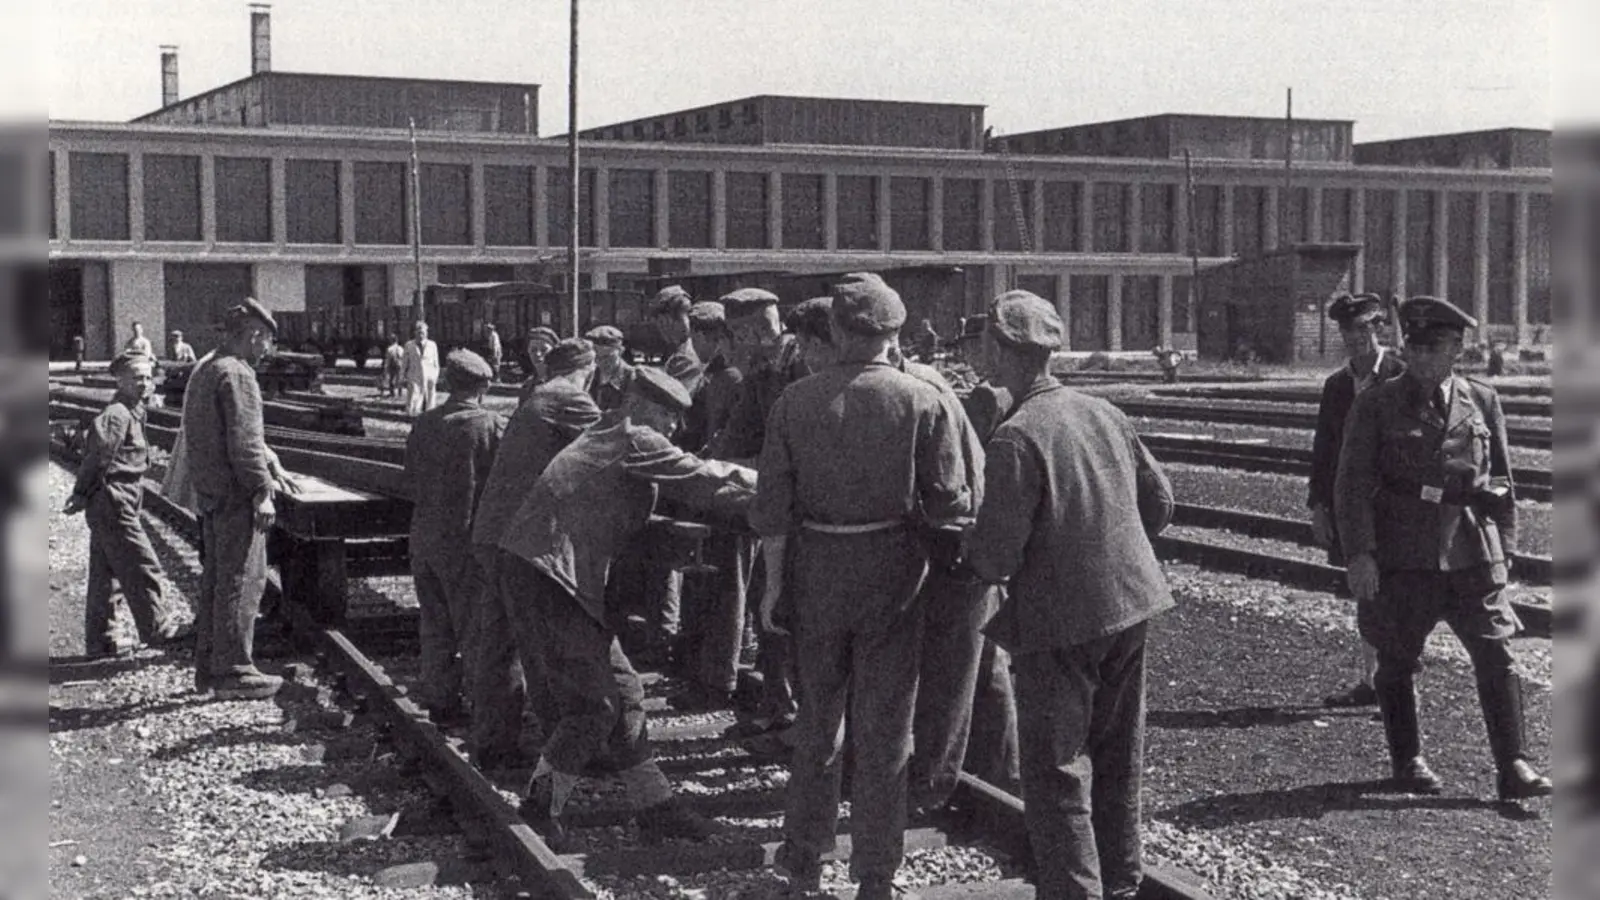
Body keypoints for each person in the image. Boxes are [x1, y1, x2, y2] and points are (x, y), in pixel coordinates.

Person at [752, 273, 976, 900]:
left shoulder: (793, 402)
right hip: (894, 579)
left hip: (815, 571)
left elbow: (771, 510)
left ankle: (802, 860)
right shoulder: (922, 401)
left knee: (817, 723)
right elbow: (948, 503)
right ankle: (876, 873)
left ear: (839, 330)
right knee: (885, 730)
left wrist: (773, 589)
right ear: (893, 334)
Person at [965, 289, 1175, 900]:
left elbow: (998, 557)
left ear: (1000, 352)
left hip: (1059, 622)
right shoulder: (1102, 410)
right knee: (1117, 755)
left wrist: (965, 548)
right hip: (1132, 603)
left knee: (1054, 771)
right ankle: (1122, 884)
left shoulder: (1015, 436)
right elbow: (1159, 506)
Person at [498, 367, 757, 849]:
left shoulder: (609, 430)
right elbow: (700, 477)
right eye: (670, 416)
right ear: (644, 407)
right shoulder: (636, 437)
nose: (676, 429)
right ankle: (539, 806)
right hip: (551, 575)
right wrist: (780, 487)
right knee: (594, 704)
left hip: (556, 572)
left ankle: (655, 807)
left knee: (624, 692)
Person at [1334, 296, 1551, 802]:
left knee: (1496, 654)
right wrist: (1360, 554)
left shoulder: (1482, 399)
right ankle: (1407, 759)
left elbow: (1502, 479)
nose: (1421, 355)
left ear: (1457, 348)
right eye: (1414, 345)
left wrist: (1508, 551)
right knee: (1396, 656)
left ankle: (1512, 764)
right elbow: (1350, 484)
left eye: (1434, 346)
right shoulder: (1376, 403)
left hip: (1472, 551)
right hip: (1404, 553)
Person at [469, 338, 602, 770]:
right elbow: (618, 445)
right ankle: (559, 749)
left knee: (499, 642)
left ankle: (492, 741)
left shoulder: (538, 395)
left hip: (491, 532)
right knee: (538, 643)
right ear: (588, 369)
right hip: (518, 540)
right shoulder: (570, 398)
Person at [705, 287, 804, 749]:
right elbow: (735, 439)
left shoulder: (801, 365)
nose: (740, 345)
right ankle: (780, 707)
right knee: (770, 606)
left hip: (813, 514)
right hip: (781, 511)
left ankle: (797, 715)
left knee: (788, 612)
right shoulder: (762, 374)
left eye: (742, 334)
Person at [182, 298, 287, 700]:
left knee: (217, 581)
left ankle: (209, 667)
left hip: (212, 493)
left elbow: (225, 434)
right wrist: (262, 489)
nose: (267, 351)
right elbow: (243, 444)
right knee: (244, 579)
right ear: (254, 335)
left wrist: (266, 454)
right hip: (236, 496)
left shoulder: (208, 368)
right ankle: (235, 670)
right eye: (266, 342)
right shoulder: (238, 374)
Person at [1310, 293, 1407, 709]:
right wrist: (1318, 504)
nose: (1356, 338)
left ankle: (1398, 686)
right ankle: (1372, 681)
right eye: (1348, 330)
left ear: (1379, 328)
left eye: (1364, 328)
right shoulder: (1337, 386)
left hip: (1399, 507)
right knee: (1364, 591)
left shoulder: (1400, 375)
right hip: (1353, 509)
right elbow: (1324, 450)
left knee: (1400, 592)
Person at [404, 349, 507, 723]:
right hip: (466, 544)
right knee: (476, 631)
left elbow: (410, 478)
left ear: (448, 383)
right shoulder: (492, 427)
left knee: (434, 626)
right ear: (484, 386)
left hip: (425, 540)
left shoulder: (425, 423)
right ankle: (486, 715)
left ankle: (442, 703)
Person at [63, 350, 186, 659]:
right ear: (120, 380)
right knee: (143, 564)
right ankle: (158, 629)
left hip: (120, 501)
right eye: (136, 378)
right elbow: (98, 458)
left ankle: (100, 642)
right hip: (113, 500)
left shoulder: (134, 411)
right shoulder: (116, 414)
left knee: (106, 575)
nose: (144, 384)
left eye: (148, 377)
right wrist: (81, 493)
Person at [650, 285, 701, 388]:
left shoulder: (684, 359)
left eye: (659, 322)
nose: (660, 329)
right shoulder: (691, 347)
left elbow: (675, 400)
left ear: (666, 320)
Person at [585, 325, 636, 411]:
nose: (602, 362)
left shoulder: (632, 378)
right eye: (597, 357)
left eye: (607, 357)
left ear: (621, 351)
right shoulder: (589, 378)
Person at [402, 321, 441, 416]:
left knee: (430, 402)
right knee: (413, 402)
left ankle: (429, 419)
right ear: (415, 332)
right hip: (414, 377)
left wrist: (435, 377)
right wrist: (403, 376)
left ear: (426, 333)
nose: (421, 335)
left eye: (423, 332)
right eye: (418, 332)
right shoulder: (409, 345)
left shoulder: (432, 345)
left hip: (429, 377)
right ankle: (411, 417)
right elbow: (404, 363)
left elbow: (436, 363)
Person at [519, 326, 562, 404]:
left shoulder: (561, 384)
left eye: (544, 350)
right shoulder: (528, 385)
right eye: (533, 350)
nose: (538, 354)